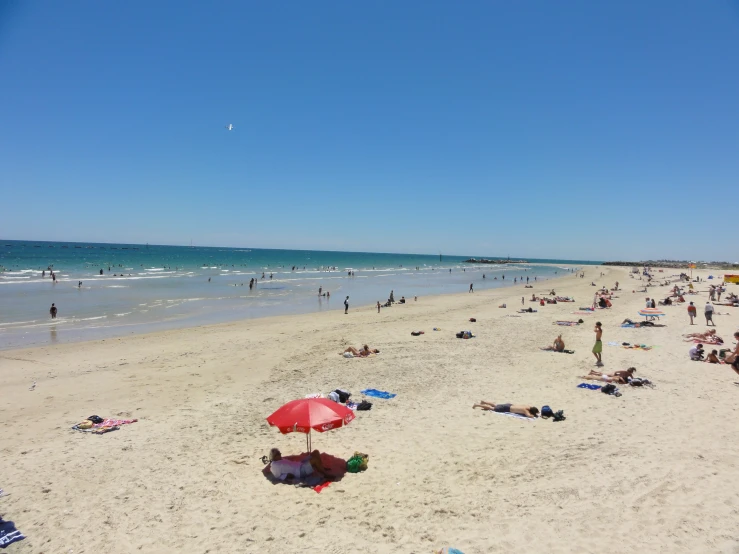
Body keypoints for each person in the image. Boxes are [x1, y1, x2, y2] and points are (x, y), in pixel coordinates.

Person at [472, 401, 539, 418]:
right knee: (491, 408)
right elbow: (529, 416)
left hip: (509, 405)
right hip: (507, 409)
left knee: (496, 405)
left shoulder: (527, 406)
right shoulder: (525, 410)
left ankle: (484, 402)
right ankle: (477, 405)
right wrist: (534, 415)